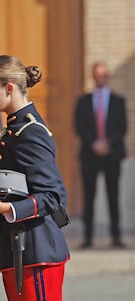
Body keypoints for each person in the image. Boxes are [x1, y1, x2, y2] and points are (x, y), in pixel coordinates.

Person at [0, 55, 70, 300]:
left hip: (36, 249)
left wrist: (5, 207)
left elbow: (53, 196)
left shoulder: (30, 131)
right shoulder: (11, 129)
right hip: (17, 246)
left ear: (9, 89)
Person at [74, 61, 127, 248]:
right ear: (93, 77)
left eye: (103, 75)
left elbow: (122, 127)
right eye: (97, 75)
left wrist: (108, 143)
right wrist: (94, 143)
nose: (100, 78)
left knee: (113, 196)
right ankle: (88, 237)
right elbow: (79, 126)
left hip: (112, 156)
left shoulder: (118, 101)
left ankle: (116, 237)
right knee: (89, 197)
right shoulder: (83, 101)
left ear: (107, 77)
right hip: (90, 155)